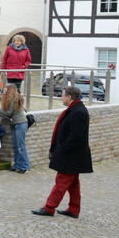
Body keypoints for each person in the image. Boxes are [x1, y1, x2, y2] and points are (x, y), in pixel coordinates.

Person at [32, 87, 92, 219]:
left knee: (61, 181)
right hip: (72, 154)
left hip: (71, 155)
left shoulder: (78, 112)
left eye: (63, 95)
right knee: (73, 183)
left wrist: (62, 149)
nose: (61, 98)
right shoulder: (75, 110)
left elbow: (77, 136)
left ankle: (49, 208)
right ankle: (74, 209)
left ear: (70, 97)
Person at [0, 84, 30, 174]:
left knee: (20, 146)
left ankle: (24, 166)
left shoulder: (14, 99)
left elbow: (9, 113)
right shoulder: (12, 99)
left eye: (5, 89)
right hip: (15, 124)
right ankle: (17, 165)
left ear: (9, 90)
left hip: (20, 124)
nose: (3, 91)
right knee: (15, 146)